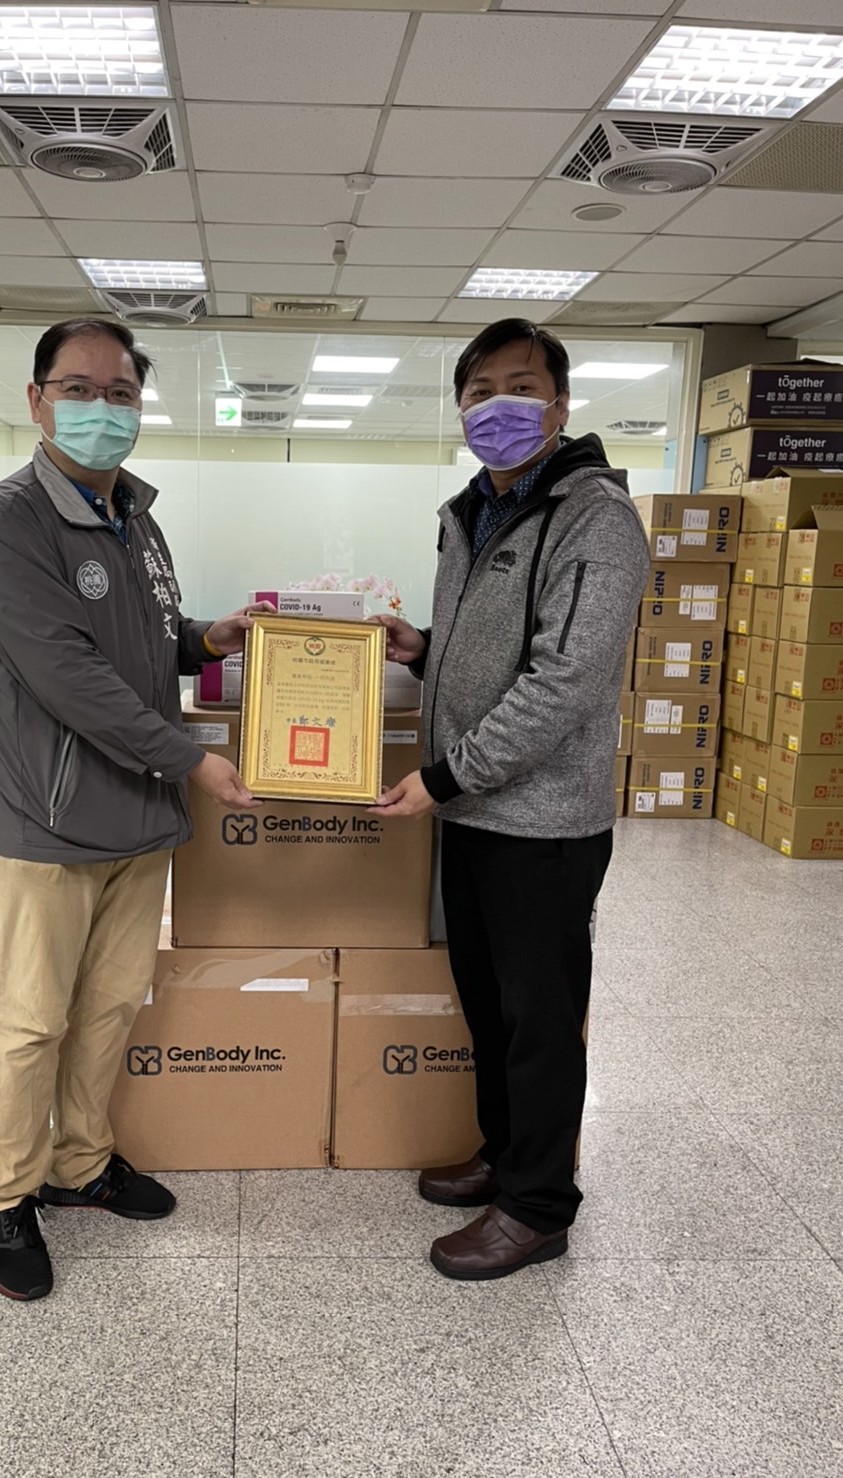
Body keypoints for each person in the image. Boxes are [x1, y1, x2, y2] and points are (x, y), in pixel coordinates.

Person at [0, 318, 268, 1301]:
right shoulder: (9, 523)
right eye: (79, 389)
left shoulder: (134, 512)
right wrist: (191, 761)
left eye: (121, 393)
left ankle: (81, 1164)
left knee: (107, 1008)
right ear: (38, 400)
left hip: (135, 818)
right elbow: (70, 675)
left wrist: (204, 637)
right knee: (31, 1021)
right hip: (45, 824)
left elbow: (141, 636)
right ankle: (7, 1198)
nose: (102, 408)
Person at [371, 318, 649, 1282]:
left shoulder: (594, 519)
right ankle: (504, 1155)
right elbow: (491, 647)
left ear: (561, 406)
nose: (500, 407)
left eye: (522, 388)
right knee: (488, 1008)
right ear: (460, 408)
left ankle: (538, 1207)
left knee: (541, 1021)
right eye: (480, 390)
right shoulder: (474, 509)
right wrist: (425, 649)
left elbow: (562, 680)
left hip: (543, 824)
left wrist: (444, 776)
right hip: (475, 815)